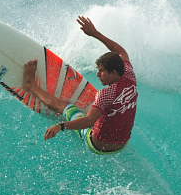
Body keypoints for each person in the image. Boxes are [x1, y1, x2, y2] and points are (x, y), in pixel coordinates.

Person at [21, 16, 138, 154]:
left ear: (113, 72)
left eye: (102, 71)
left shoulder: (105, 95)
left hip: (97, 145)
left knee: (66, 107)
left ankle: (31, 86)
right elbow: (120, 52)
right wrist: (95, 33)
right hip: (122, 144)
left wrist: (61, 127)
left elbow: (89, 121)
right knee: (105, 110)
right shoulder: (129, 74)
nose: (98, 75)